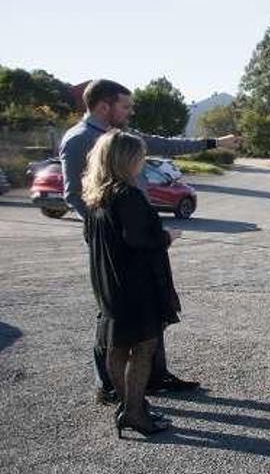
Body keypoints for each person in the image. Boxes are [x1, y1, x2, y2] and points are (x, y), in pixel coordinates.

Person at [59, 79, 240, 403]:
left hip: (142, 235)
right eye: (125, 106)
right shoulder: (78, 141)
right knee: (112, 314)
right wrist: (105, 234)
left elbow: (167, 145)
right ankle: (110, 386)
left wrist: (215, 142)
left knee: (151, 308)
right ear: (104, 106)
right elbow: (73, 195)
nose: (131, 112)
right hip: (115, 245)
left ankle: (155, 376)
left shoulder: (124, 137)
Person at [82, 130, 180, 437]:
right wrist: (167, 237)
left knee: (118, 344)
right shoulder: (129, 195)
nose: (143, 161)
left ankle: (128, 406)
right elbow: (138, 239)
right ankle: (134, 411)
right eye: (140, 156)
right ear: (126, 159)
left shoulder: (96, 196)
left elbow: (91, 238)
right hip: (133, 282)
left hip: (108, 281)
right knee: (143, 345)